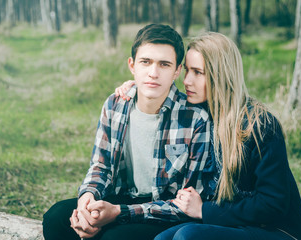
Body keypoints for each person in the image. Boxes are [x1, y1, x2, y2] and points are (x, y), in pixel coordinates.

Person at [117, 32, 301, 240]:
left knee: (188, 236)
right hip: (232, 223)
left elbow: (273, 203)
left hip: (275, 230)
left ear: (222, 75)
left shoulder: (259, 125)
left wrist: (205, 211)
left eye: (198, 73)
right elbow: (163, 96)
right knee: (163, 238)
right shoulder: (198, 114)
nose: (188, 81)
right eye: (188, 71)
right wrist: (137, 89)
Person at [42, 24, 212, 240]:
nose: (153, 73)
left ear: (177, 71)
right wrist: (87, 198)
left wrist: (119, 214)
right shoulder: (115, 104)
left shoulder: (195, 119)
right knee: (56, 218)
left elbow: (186, 204)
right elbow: (100, 165)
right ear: (132, 65)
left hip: (163, 212)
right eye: (146, 62)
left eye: (164, 64)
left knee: (115, 237)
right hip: (121, 197)